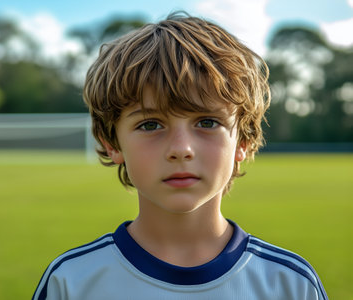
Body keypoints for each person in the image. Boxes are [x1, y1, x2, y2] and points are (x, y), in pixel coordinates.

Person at [32, 12, 327, 300]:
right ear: (112, 143)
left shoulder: (291, 284)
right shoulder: (71, 282)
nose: (181, 149)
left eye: (208, 123)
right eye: (150, 125)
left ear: (244, 140)